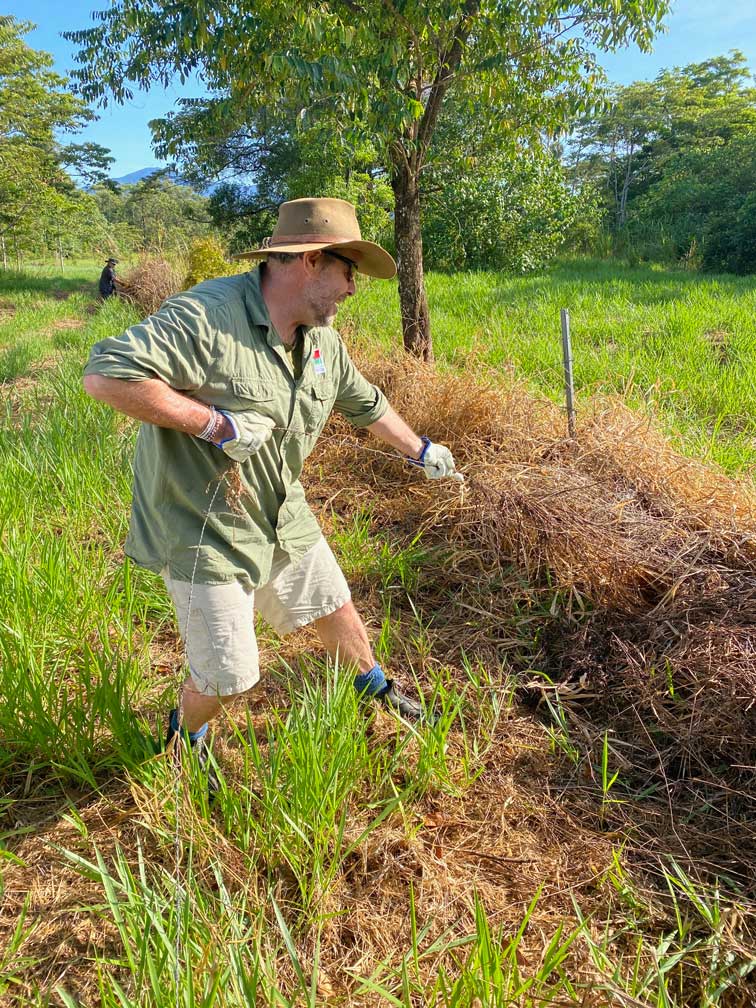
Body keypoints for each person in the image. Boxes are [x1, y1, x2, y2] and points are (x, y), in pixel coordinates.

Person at [83, 197, 460, 782]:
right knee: (228, 674)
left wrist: (422, 450)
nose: (353, 289)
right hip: (201, 522)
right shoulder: (207, 318)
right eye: (348, 272)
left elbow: (367, 405)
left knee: (334, 605)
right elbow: (106, 375)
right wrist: (215, 425)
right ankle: (186, 735)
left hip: (280, 508)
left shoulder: (320, 341)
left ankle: (375, 690)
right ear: (311, 260)